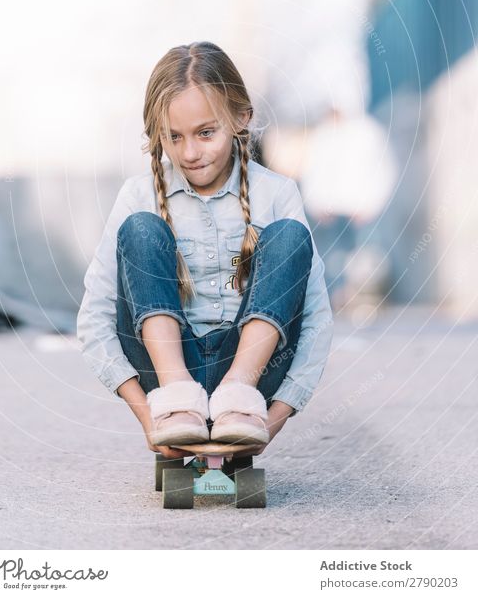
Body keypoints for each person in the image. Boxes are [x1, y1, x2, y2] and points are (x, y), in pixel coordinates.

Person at [77, 41, 333, 460]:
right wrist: (151, 421)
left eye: (206, 133)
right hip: (163, 373)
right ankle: (179, 399)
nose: (190, 153)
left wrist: (267, 424)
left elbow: (317, 322)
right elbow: (95, 318)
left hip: (254, 376)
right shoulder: (137, 194)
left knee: (288, 236)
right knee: (141, 229)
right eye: (173, 137)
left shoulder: (277, 193)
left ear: (241, 118)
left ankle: (236, 393)